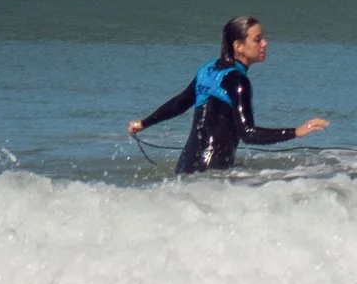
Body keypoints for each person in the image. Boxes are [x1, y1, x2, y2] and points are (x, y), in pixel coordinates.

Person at [129, 15, 327, 174]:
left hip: (185, 167)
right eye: (257, 39)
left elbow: (180, 103)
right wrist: (296, 132)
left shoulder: (207, 69)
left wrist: (144, 123)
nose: (265, 43)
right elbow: (248, 134)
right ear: (238, 46)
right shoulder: (238, 81)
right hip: (212, 175)